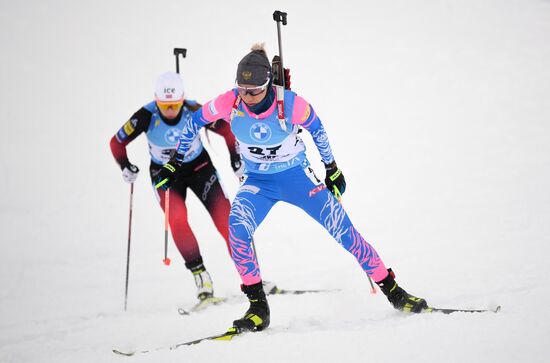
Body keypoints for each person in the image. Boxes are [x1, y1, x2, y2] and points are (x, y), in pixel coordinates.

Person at [154, 44, 428, 331]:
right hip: (259, 183)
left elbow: (317, 129)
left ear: (268, 84)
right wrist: (175, 161)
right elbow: (193, 122)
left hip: (297, 179)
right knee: (237, 228)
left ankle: (395, 293)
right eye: (242, 89)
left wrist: (332, 168)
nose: (246, 96)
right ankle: (258, 307)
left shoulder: (291, 103)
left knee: (344, 232)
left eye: (254, 90)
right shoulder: (229, 101)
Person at [109, 72, 242, 302]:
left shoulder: (193, 110)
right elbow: (117, 142)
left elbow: (227, 130)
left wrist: (236, 160)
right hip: (165, 175)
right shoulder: (146, 115)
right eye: (164, 105)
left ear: (182, 99)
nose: (170, 110)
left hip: (200, 168)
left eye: (174, 104)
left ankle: (251, 276)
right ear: (156, 101)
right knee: (177, 218)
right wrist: (125, 166)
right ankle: (201, 277)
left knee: (226, 219)